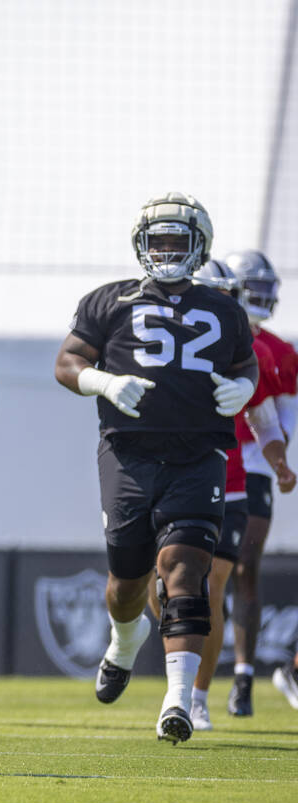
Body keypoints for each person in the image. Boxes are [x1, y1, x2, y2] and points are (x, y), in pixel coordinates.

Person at [54, 192, 258, 744]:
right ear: (141, 245)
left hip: (199, 455)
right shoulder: (107, 300)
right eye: (158, 241)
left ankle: (179, 701)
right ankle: (124, 642)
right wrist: (102, 381)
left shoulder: (225, 308)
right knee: (126, 582)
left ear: (199, 247)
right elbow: (67, 362)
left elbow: (247, 365)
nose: (166, 250)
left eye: (177, 241)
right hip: (129, 454)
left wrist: (244, 387)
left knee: (186, 573)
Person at [151, 260, 294, 731]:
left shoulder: (245, 346)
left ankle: (196, 695)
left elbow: (267, 416)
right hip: (160, 474)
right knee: (154, 588)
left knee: (211, 586)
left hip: (227, 476)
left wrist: (278, 463)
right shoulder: (155, 337)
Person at [224, 249, 298, 717]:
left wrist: (278, 456)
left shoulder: (278, 351)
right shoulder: (201, 335)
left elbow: (282, 417)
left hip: (249, 465)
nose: (263, 299)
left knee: (244, 566)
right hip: (198, 462)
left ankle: (244, 676)